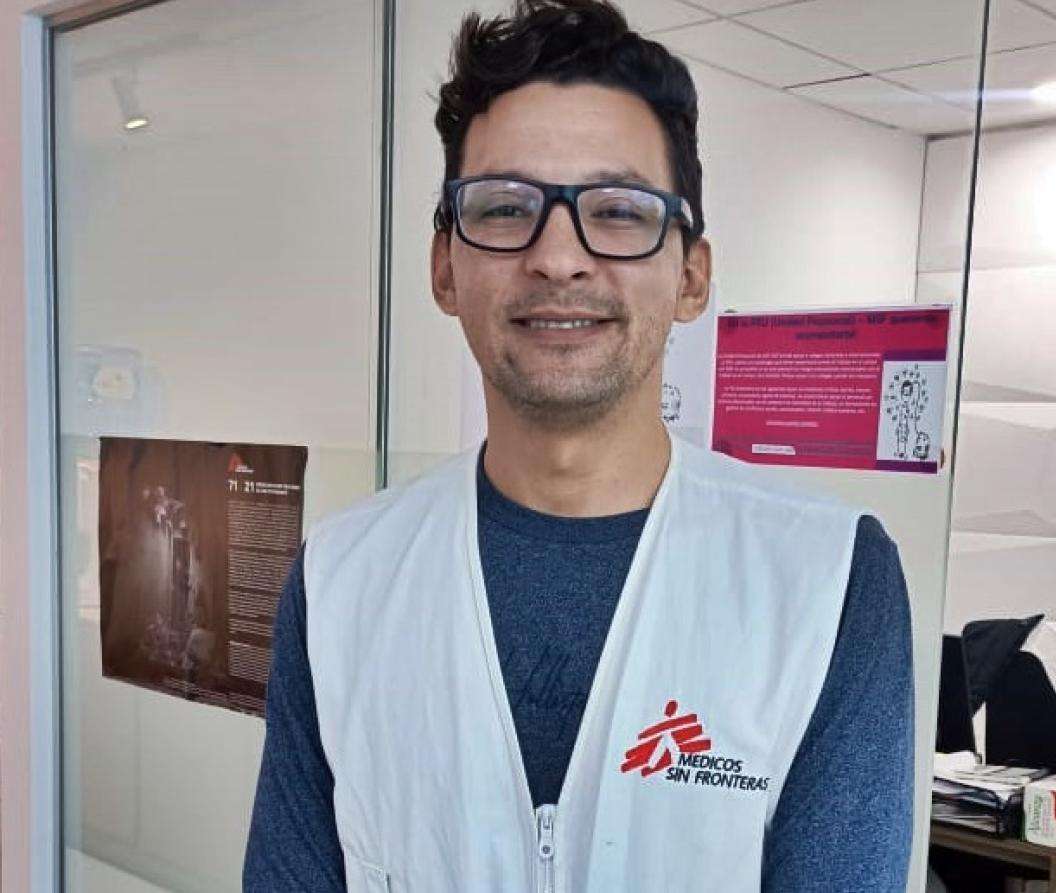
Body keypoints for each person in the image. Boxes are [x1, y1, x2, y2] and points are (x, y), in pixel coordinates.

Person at [243, 1, 914, 889]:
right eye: (506, 206)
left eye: (620, 210)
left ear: (692, 274)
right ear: (445, 266)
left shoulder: (827, 580)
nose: (559, 256)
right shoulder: (341, 577)